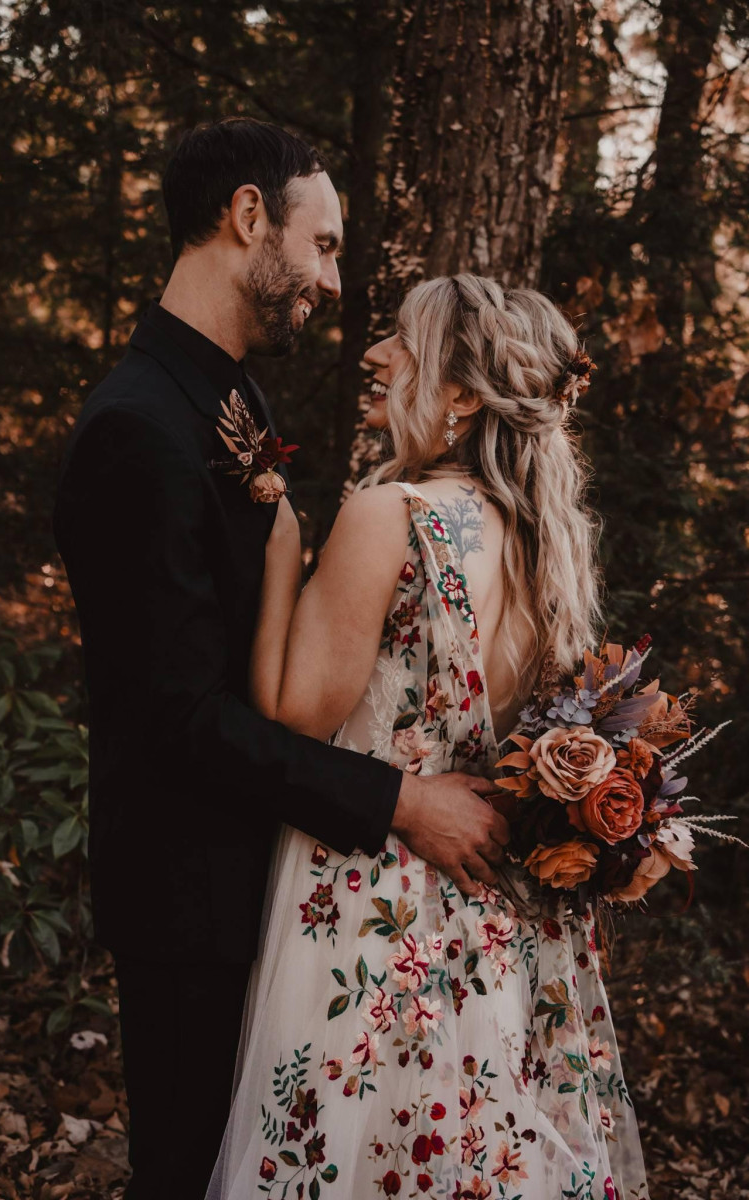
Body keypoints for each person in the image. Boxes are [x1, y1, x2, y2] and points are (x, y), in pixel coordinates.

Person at [51, 119, 507, 1200]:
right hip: (189, 903)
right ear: (248, 218)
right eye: (326, 245)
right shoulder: (135, 429)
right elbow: (178, 720)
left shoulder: (228, 398)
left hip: (285, 881)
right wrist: (398, 800)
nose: (331, 281)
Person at [207, 275, 649, 1199]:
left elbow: (293, 716)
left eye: (400, 342)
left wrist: (281, 548)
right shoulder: (541, 550)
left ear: (458, 396)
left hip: (366, 906)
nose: (373, 357)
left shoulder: (388, 516)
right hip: (481, 915)